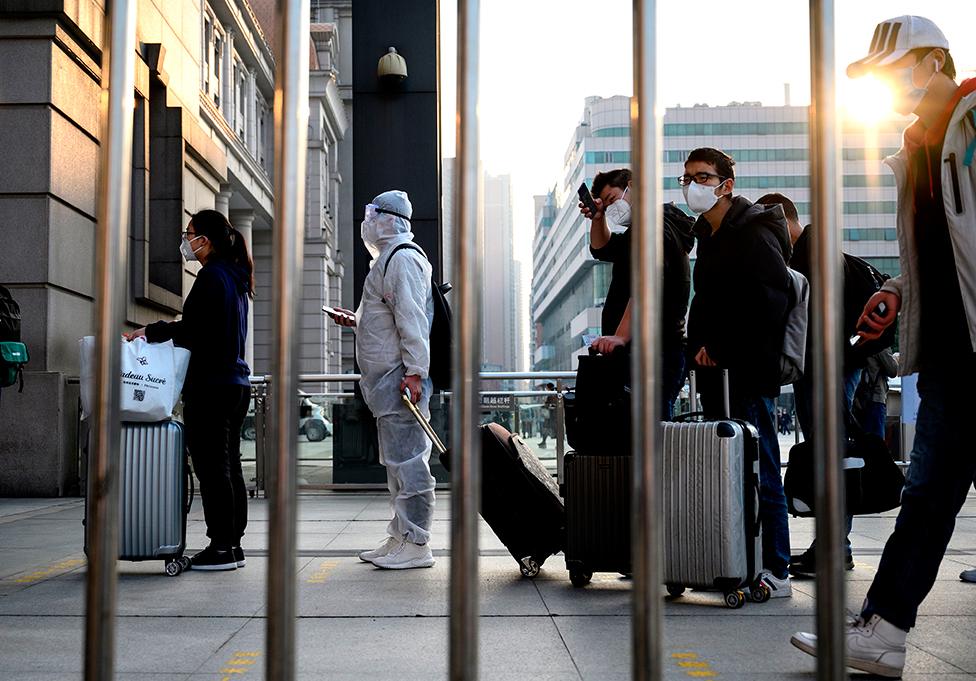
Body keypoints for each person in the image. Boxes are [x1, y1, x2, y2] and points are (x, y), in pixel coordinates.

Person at [792, 16, 976, 677]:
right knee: (927, 494)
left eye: (896, 69)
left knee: (929, 492)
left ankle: (882, 624)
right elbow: (948, 248)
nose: (890, 86)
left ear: (935, 64)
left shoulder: (972, 118)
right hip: (955, 356)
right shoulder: (916, 145)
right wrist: (899, 287)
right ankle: (884, 627)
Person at [682, 147, 794, 598]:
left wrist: (723, 346)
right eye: (687, 177)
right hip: (716, 373)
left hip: (747, 371)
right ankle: (735, 558)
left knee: (762, 466)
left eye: (703, 177)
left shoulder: (752, 232)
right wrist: (699, 349)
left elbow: (773, 299)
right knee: (727, 472)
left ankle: (778, 569)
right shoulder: (708, 235)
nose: (693, 185)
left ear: (726, 184)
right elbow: (705, 304)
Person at [124, 209, 253, 571]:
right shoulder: (235, 277)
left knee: (213, 468)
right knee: (229, 466)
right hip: (234, 383)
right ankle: (233, 544)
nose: (186, 240)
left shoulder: (212, 276)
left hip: (211, 385)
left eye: (190, 233)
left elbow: (193, 329)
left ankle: (221, 546)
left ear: (205, 241)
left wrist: (150, 332)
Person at [757, 192, 871, 576]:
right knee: (829, 452)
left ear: (784, 219)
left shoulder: (811, 254)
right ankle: (835, 544)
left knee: (831, 454)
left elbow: (820, 320)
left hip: (829, 368)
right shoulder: (816, 251)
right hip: (832, 366)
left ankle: (836, 546)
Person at [326, 190, 437, 570]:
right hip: (388, 380)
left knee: (409, 463)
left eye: (373, 213)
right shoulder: (387, 261)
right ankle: (400, 535)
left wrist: (415, 373)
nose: (367, 221)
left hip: (400, 379)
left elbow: (413, 321)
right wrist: (355, 319)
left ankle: (418, 542)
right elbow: (387, 320)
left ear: (391, 220)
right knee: (396, 464)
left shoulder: (402, 259)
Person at [579, 168, 696, 419]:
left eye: (612, 200)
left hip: (657, 350)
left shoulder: (655, 228)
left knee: (653, 436)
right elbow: (603, 248)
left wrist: (621, 336)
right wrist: (598, 218)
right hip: (647, 350)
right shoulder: (639, 231)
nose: (612, 208)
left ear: (633, 186)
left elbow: (648, 282)